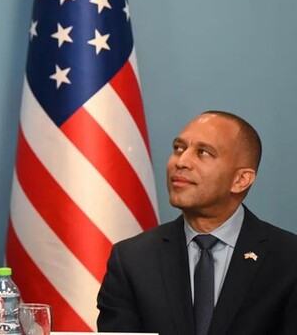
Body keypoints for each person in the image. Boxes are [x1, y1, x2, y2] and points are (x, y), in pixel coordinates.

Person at [97, 110, 297, 334]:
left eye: (203, 152)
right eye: (179, 148)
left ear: (241, 180)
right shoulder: (132, 259)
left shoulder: (289, 259)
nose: (181, 162)